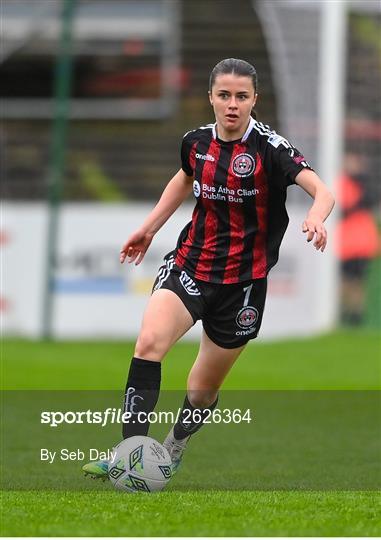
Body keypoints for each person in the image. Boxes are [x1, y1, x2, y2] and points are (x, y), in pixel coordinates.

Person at [83, 58, 335, 480]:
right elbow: (184, 178)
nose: (232, 105)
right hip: (190, 265)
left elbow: (320, 189)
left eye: (241, 96)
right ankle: (129, 453)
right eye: (224, 96)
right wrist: (148, 229)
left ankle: (174, 446)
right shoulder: (196, 142)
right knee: (149, 343)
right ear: (211, 98)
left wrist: (317, 216)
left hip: (243, 285)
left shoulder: (271, 149)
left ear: (255, 99)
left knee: (202, 390)